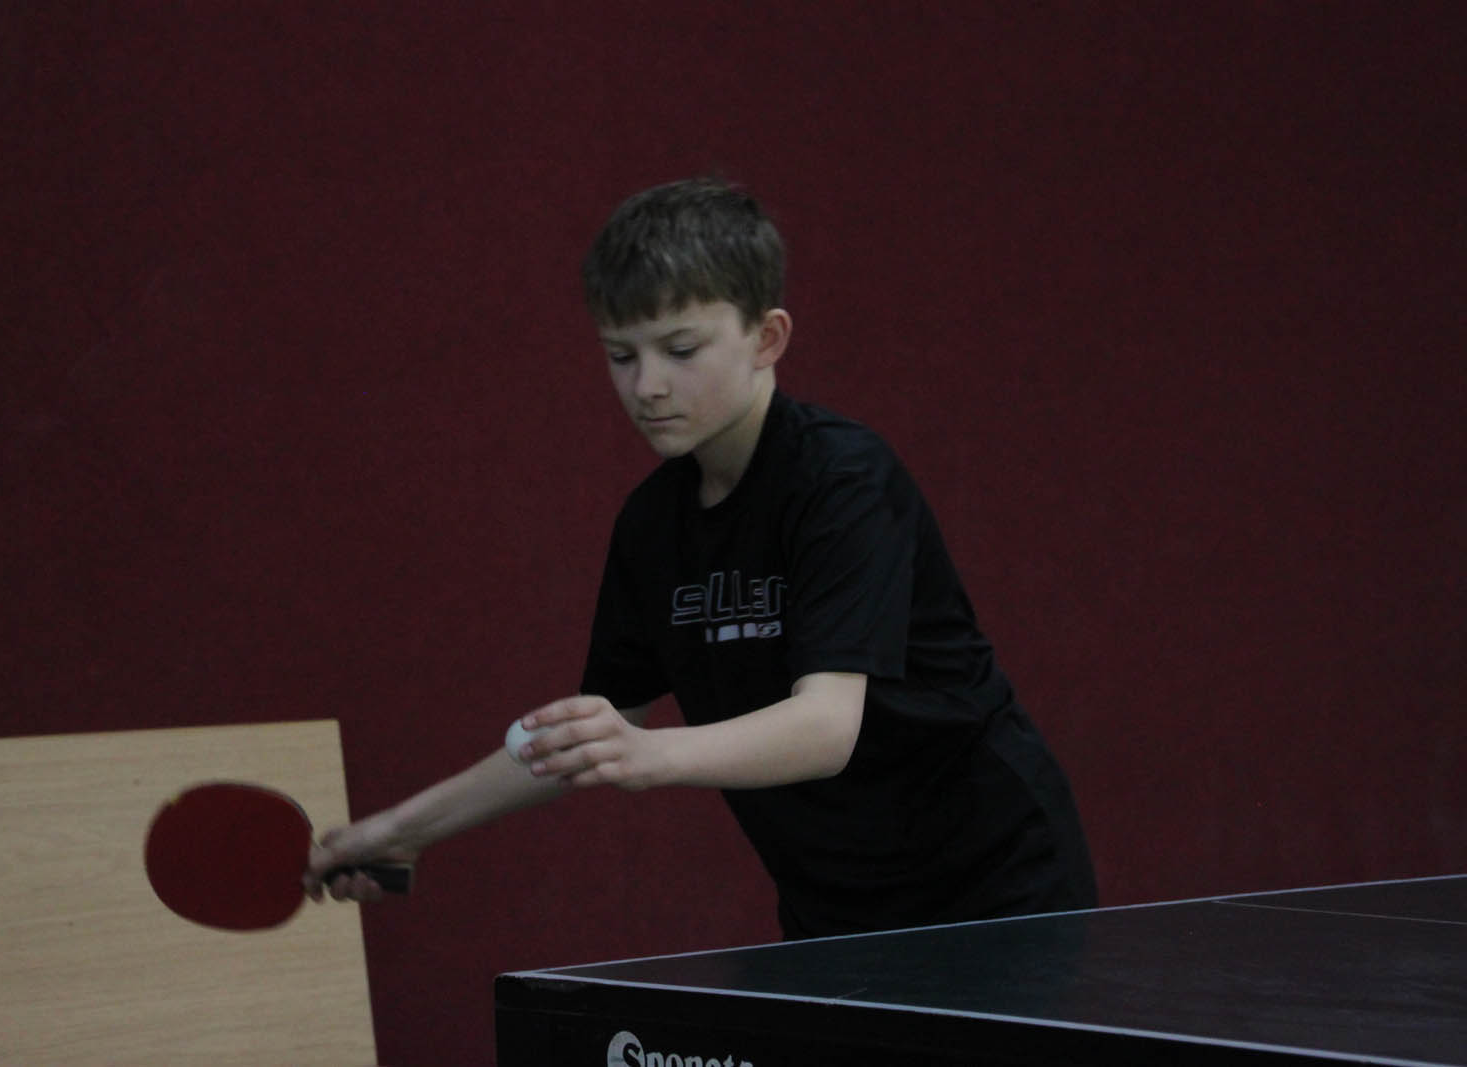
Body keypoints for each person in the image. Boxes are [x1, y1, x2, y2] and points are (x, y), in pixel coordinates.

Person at [303, 177, 1097, 939]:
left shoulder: (843, 480)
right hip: (836, 908)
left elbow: (827, 726)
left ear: (767, 338)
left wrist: (652, 754)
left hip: (997, 892)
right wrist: (403, 830)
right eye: (621, 355)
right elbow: (599, 731)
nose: (647, 385)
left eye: (680, 348)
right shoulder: (651, 526)